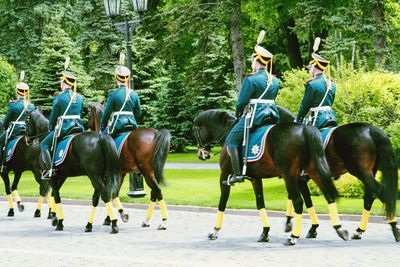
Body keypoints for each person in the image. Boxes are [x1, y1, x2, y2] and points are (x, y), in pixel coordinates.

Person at [226, 31, 280, 185]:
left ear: (257, 61)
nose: (252, 63)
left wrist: (237, 115)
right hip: (272, 115)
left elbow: (241, 102)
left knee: (231, 140)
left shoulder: (251, 79)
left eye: (253, 60)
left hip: (255, 115)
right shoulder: (275, 81)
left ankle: (237, 174)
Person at [40, 57, 84, 180]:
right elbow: (80, 112)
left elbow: (54, 117)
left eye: (61, 82)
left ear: (64, 83)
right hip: (78, 127)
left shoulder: (58, 98)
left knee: (43, 144)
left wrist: (50, 128)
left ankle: (49, 170)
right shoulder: (79, 98)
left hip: (64, 127)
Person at [296, 37, 337, 129]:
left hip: (318, 119)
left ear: (314, 67)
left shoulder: (312, 84)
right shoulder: (332, 84)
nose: (310, 69)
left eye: (311, 67)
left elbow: (305, 106)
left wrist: (299, 119)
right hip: (331, 117)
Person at [0, 71, 35, 173]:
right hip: (27, 131)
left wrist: (5, 129)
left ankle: (2, 166)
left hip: (15, 131)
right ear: (26, 93)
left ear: (17, 92)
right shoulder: (31, 106)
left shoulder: (13, 105)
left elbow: (6, 121)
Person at [100, 54, 141, 136]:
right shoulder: (134, 94)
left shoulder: (113, 94)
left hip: (118, 124)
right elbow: (138, 113)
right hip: (132, 123)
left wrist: (103, 126)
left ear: (116, 78)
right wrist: (133, 120)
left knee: (102, 138)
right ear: (127, 79)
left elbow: (107, 113)